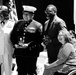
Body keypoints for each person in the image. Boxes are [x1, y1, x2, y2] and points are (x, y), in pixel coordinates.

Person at [10, 5, 43, 75]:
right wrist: (15, 44)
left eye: (27, 15)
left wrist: (29, 44)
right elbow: (12, 36)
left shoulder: (37, 25)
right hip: (20, 53)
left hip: (31, 53)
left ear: (32, 16)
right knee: (21, 72)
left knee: (31, 71)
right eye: (24, 14)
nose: (25, 16)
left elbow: (39, 39)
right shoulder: (18, 23)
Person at [0, 5, 15, 75]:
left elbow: (15, 39)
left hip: (8, 51)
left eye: (3, 13)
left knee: (8, 71)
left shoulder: (12, 24)